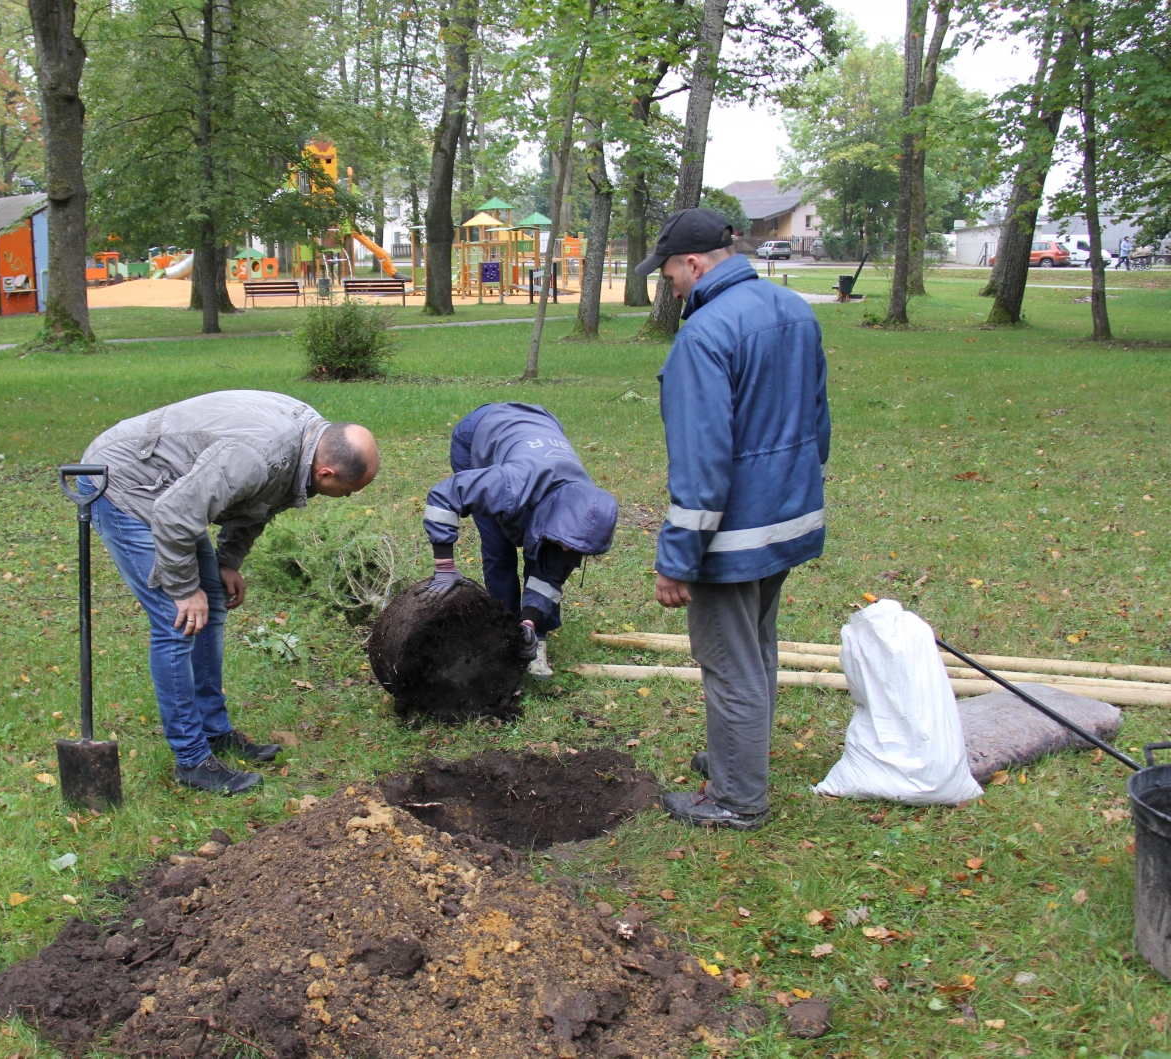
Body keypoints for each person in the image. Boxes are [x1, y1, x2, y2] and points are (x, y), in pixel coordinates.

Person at [634, 208, 830, 831]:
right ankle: (735, 755)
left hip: (734, 531)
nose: (667, 285)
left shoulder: (705, 335)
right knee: (759, 644)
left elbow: (701, 461)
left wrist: (676, 561)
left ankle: (737, 798)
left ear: (693, 264)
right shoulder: (793, 309)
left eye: (667, 273)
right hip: (788, 515)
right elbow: (818, 422)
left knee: (729, 661)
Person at [79, 391, 380, 794]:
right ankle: (192, 760)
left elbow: (261, 501)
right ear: (326, 473)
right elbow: (174, 517)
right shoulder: (258, 456)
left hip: (175, 492)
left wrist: (227, 563)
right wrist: (184, 590)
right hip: (126, 483)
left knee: (211, 604)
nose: (348, 498)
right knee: (179, 622)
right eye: (350, 490)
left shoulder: (306, 443)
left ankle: (214, 731)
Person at [421, 402, 619, 678]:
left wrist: (531, 621)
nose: (567, 550)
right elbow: (444, 495)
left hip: (542, 423)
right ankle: (503, 630)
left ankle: (531, 637)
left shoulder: (584, 508)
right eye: (566, 543)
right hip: (478, 432)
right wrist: (444, 569)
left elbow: (553, 572)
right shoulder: (510, 485)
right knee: (499, 547)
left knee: (551, 552)